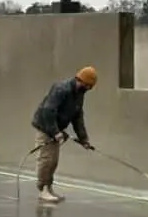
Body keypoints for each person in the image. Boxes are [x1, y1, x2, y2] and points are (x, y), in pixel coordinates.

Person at [30, 66, 98, 203]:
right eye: (89, 86)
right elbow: (48, 111)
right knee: (46, 159)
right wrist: (55, 132)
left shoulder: (79, 94)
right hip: (45, 126)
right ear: (83, 81)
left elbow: (77, 117)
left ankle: (48, 188)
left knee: (53, 161)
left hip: (56, 129)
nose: (89, 89)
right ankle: (43, 190)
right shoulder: (61, 89)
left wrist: (83, 139)